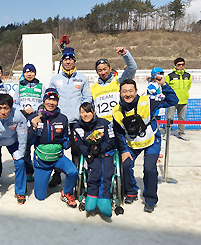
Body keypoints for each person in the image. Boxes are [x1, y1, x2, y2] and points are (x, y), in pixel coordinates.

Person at [112, 79, 178, 213]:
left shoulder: (148, 101)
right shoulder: (116, 111)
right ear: (120, 93)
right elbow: (118, 133)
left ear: (136, 91)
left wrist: (164, 85)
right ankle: (130, 191)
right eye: (124, 91)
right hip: (131, 143)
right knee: (125, 165)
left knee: (149, 169)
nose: (128, 94)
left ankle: (150, 199)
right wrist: (124, 150)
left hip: (151, 140)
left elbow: (173, 101)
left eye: (131, 91)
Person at [48, 47, 92, 187]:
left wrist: (84, 115)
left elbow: (88, 98)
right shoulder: (55, 79)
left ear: (74, 60)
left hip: (76, 121)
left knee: (76, 150)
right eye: (65, 59)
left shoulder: (82, 78)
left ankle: (76, 176)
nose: (68, 62)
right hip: (59, 120)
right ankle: (56, 175)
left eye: (70, 59)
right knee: (56, 149)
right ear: (61, 61)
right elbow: (49, 97)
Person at [30, 88, 78, 208]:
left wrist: (69, 142)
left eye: (54, 100)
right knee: (40, 196)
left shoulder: (62, 118)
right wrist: (33, 128)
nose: (51, 103)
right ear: (44, 100)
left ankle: (66, 192)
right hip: (42, 159)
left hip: (58, 157)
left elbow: (66, 138)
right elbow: (28, 141)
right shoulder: (35, 116)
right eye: (48, 100)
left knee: (73, 172)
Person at [74, 102, 115, 217]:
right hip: (90, 155)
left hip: (105, 153)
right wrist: (89, 152)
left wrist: (100, 148)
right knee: (94, 172)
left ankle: (104, 198)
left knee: (107, 172)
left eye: (87, 111)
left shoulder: (104, 123)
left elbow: (111, 140)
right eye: (82, 112)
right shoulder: (77, 127)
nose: (85, 114)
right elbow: (79, 144)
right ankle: (91, 195)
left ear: (93, 112)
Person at [14, 63, 46, 182]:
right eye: (27, 72)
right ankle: (28, 170)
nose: (29, 74)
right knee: (25, 145)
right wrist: (20, 111)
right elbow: (15, 102)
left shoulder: (41, 86)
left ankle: (39, 169)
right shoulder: (20, 87)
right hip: (23, 118)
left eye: (31, 72)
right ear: (23, 74)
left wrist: (34, 107)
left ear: (35, 73)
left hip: (37, 117)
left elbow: (44, 102)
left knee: (38, 143)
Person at [91, 47, 137, 122]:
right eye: (100, 70)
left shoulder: (119, 81)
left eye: (105, 69)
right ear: (96, 72)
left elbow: (132, 69)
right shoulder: (93, 88)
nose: (103, 72)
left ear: (110, 68)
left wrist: (126, 55)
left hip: (119, 123)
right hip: (103, 125)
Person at [165, 58, 192, 141]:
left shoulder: (188, 76)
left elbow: (188, 86)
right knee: (169, 117)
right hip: (172, 101)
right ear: (175, 65)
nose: (181, 66)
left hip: (183, 100)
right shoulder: (170, 76)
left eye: (182, 64)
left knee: (182, 118)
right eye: (179, 65)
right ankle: (167, 134)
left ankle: (181, 133)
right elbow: (166, 87)